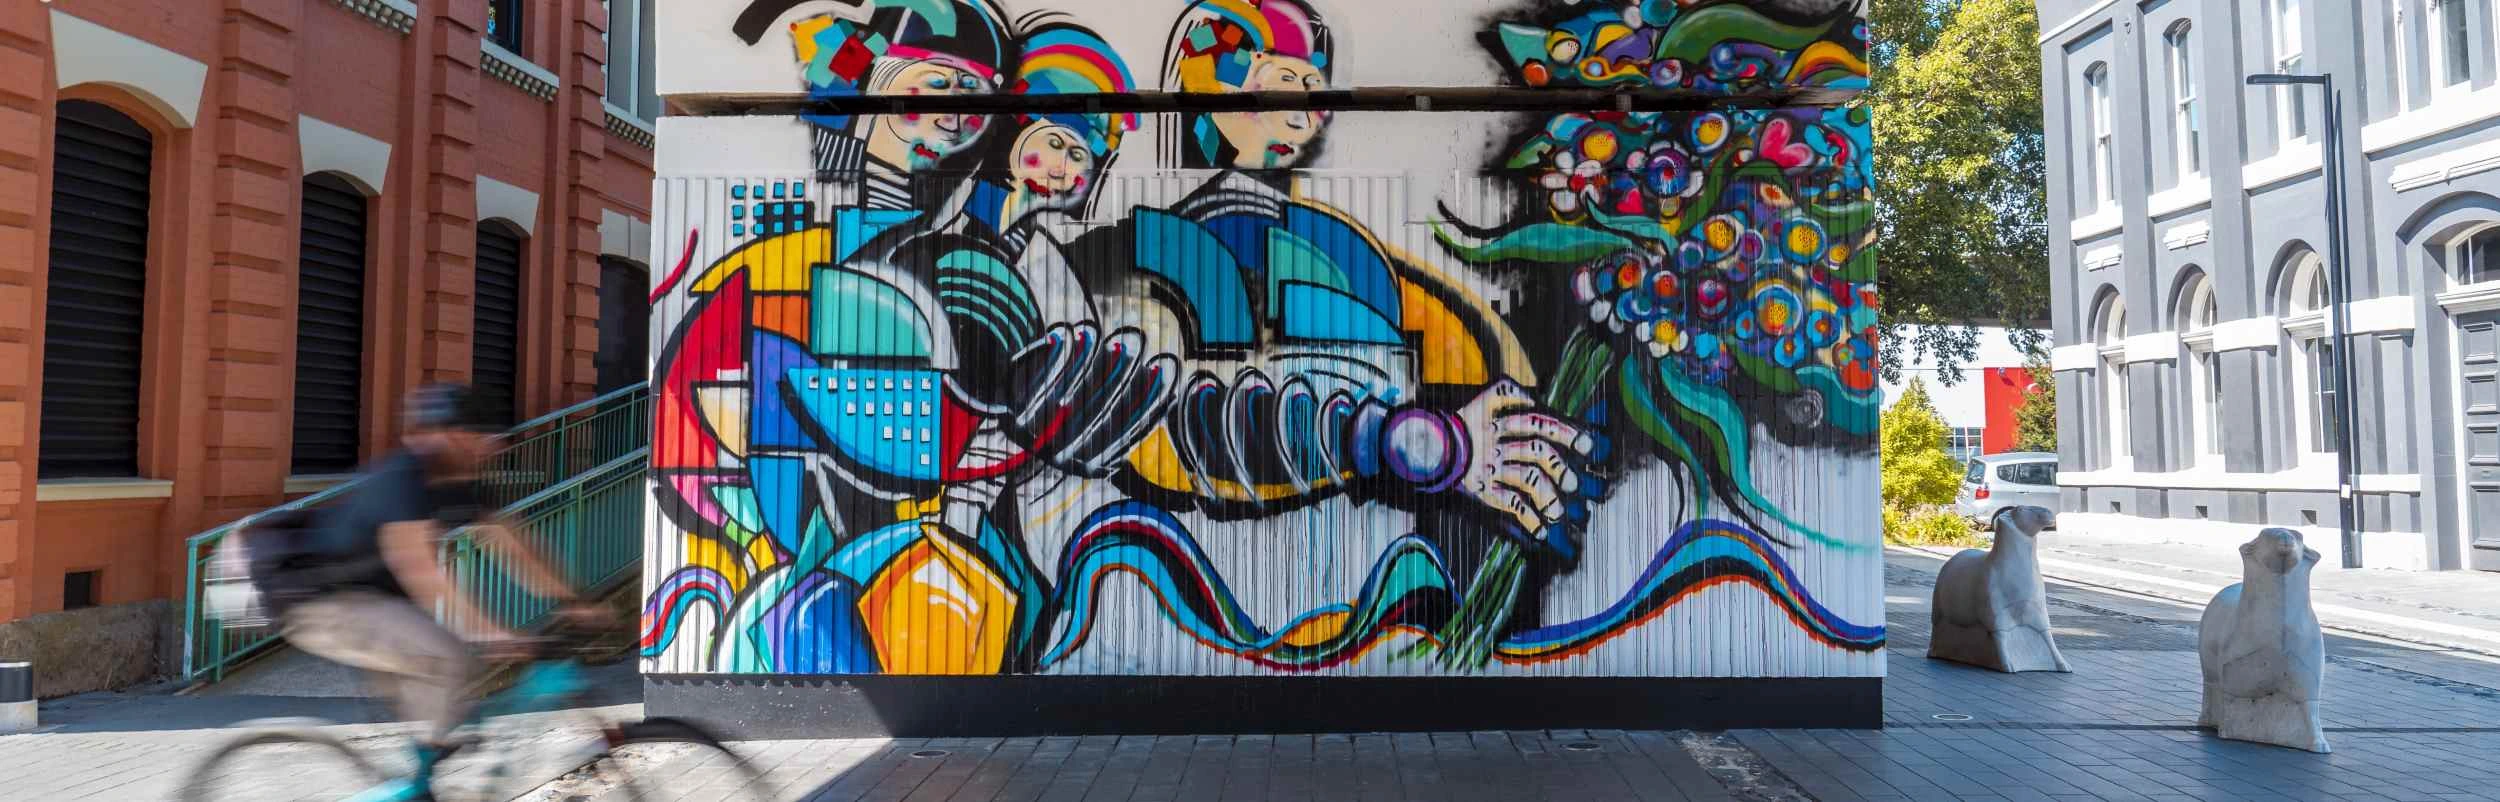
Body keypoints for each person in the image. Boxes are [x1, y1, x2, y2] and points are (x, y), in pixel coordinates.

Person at [279, 383, 604, 793]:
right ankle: (419, 781)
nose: (489, 447)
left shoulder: (461, 481)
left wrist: (572, 600)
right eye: (478, 436)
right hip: (326, 602)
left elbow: (514, 548)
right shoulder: (403, 480)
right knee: (450, 658)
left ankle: (420, 779)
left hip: (375, 603)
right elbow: (422, 571)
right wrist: (492, 633)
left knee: (449, 702)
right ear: (452, 435)